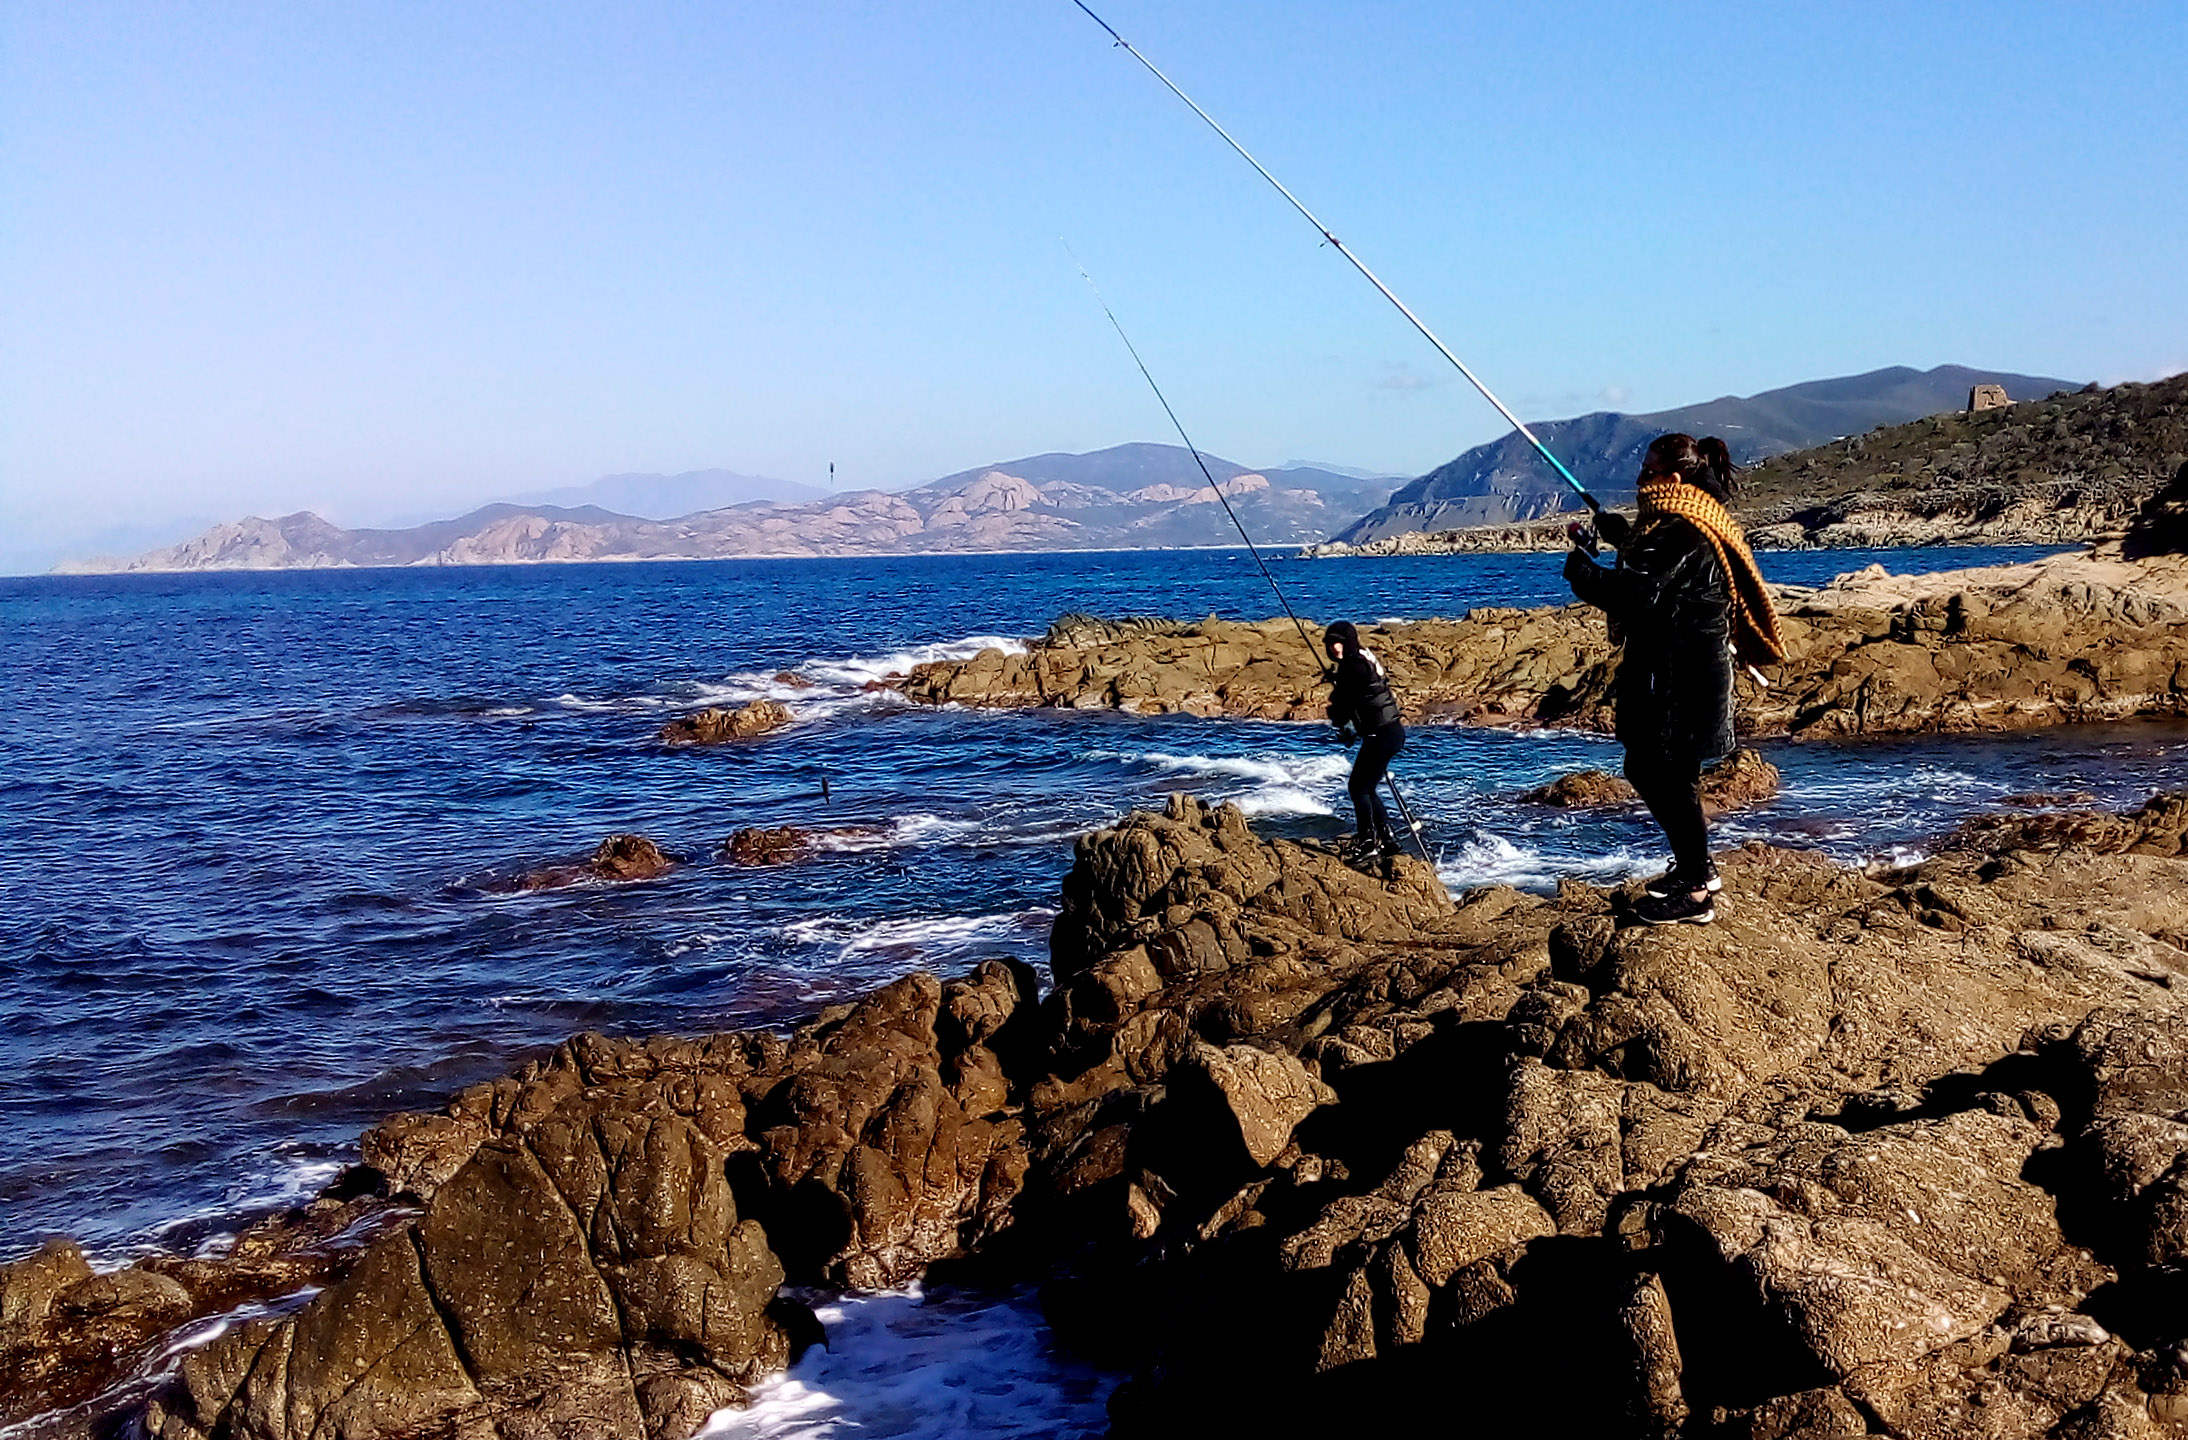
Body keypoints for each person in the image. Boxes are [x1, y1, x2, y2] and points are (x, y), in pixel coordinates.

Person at [1563, 434, 1783, 924]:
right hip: (1680, 670)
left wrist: (1579, 564)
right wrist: (1620, 535)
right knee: (1661, 770)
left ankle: (1697, 887)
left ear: (1674, 479)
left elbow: (1635, 592)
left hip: (1679, 676)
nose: (1640, 480)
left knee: (1658, 770)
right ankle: (1695, 870)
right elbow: (1656, 564)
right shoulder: (1690, 522)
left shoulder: (1681, 529)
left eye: (1648, 471)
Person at [1323, 620, 1406, 864]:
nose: (1335, 648)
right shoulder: (1360, 658)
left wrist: (1338, 717)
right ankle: (1388, 840)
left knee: (1358, 787)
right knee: (1367, 787)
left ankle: (1368, 842)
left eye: (1339, 642)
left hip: (1382, 735)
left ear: (1348, 641)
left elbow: (1345, 703)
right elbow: (1360, 697)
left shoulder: (1354, 666)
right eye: (1331, 643)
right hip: (1389, 733)